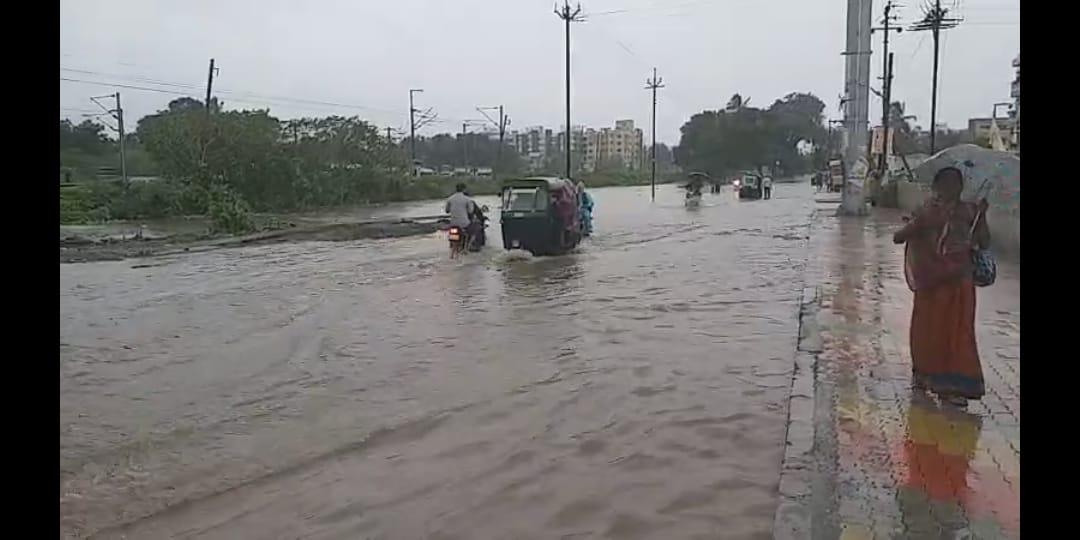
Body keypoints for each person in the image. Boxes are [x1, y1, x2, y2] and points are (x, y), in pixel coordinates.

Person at [892, 166, 990, 406]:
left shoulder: (970, 211)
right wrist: (919, 223)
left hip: (960, 282)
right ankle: (925, 374)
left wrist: (982, 217)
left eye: (955, 184)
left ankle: (955, 385)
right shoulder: (927, 211)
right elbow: (898, 237)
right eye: (946, 184)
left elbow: (984, 241)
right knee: (929, 330)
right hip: (932, 283)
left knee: (960, 332)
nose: (951, 189)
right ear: (936, 187)